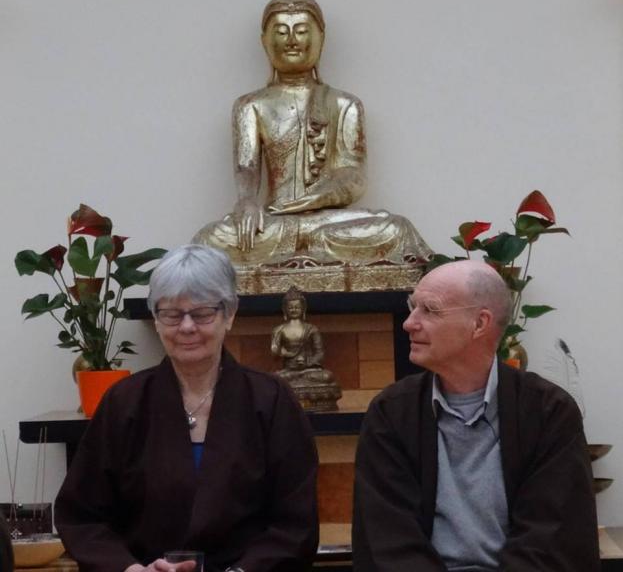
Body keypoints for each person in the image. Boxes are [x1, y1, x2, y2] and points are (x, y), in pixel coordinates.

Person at [55, 245, 319, 572]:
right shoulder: (124, 402)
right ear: (156, 318)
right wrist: (130, 569)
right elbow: (82, 517)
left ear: (230, 314)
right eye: (172, 314)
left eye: (202, 313)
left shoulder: (271, 401)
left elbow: (296, 525)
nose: (187, 327)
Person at [352, 260, 600, 572]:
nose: (409, 323)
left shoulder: (549, 411)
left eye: (429, 310)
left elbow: (552, 537)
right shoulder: (391, 412)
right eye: (413, 307)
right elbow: (387, 537)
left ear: (480, 324)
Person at [192, 0, 430, 267]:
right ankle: (305, 247)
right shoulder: (250, 105)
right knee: (209, 240)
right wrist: (247, 202)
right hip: (274, 222)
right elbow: (247, 169)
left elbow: (353, 176)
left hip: (325, 220)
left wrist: (317, 197)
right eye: (282, 32)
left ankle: (306, 246)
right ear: (265, 41)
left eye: (302, 31)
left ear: (321, 39)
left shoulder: (344, 104)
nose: (292, 40)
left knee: (396, 229)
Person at [271, 285, 341, 411]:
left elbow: (320, 353)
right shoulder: (279, 329)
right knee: (275, 380)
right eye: (290, 307)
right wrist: (283, 353)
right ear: (285, 309)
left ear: (303, 308)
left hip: (309, 370)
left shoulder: (311, 329)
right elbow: (274, 351)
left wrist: (308, 362)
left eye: (297, 307)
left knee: (327, 377)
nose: (294, 310)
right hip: (289, 371)